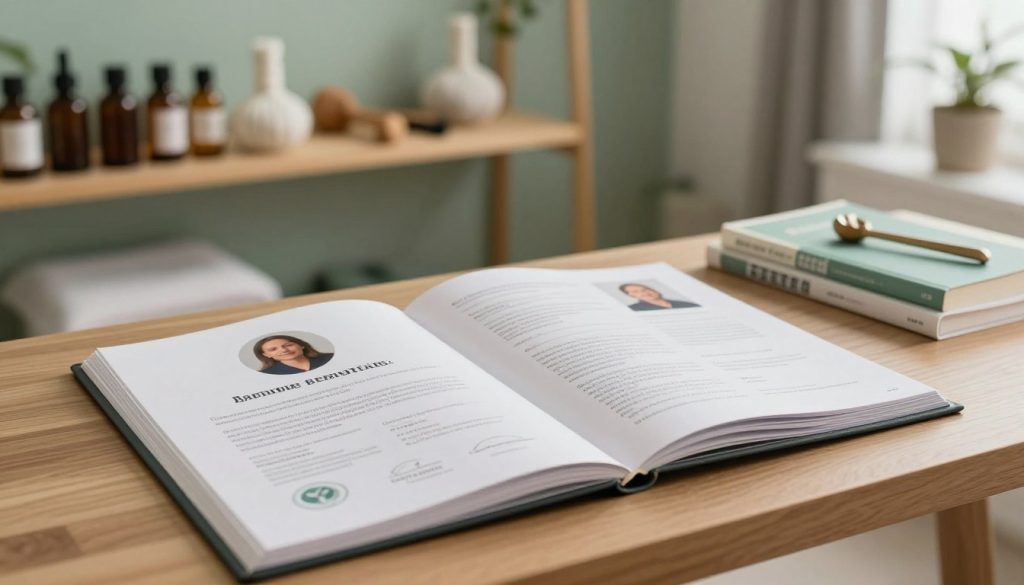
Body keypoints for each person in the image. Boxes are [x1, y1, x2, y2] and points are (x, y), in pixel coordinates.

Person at [253, 335, 334, 375]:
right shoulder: (267, 375)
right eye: (273, 349)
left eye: (288, 345)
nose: (284, 350)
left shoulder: (331, 358)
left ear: (301, 345)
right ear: (266, 355)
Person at [619, 283, 699, 311]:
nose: (644, 293)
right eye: (636, 291)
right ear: (631, 295)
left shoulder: (689, 304)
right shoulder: (634, 309)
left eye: (645, 289)